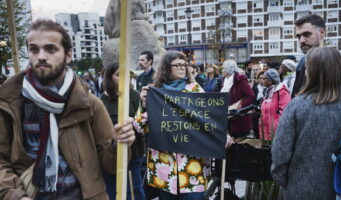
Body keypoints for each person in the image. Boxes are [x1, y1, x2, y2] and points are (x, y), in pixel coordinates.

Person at [0, 19, 135, 200]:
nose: (41, 56)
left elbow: (111, 166)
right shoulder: (10, 102)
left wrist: (118, 144)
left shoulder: (90, 104)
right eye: (34, 49)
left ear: (68, 55)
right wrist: (15, 195)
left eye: (51, 49)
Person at [134, 51, 232, 200]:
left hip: (192, 166)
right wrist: (144, 106)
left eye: (184, 64)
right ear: (167, 67)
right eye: (177, 65)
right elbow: (139, 127)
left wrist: (223, 135)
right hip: (165, 168)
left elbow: (208, 118)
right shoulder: (155, 91)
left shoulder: (194, 89)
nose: (183, 68)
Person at [271, 47, 341, 200]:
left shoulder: (297, 105)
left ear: (310, 71)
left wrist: (284, 180)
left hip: (302, 188)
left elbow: (280, 152)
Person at [100, 62, 145, 200]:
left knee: (134, 189)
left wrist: (135, 121)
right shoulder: (102, 100)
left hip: (135, 152)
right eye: (119, 75)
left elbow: (144, 123)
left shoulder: (135, 95)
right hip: (111, 153)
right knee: (113, 189)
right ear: (109, 77)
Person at [221, 60, 255, 138]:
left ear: (228, 69)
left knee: (240, 144)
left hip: (240, 118)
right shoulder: (224, 80)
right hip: (228, 117)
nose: (222, 70)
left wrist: (240, 106)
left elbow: (250, 96)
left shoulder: (240, 80)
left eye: (223, 68)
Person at [259, 69, 290, 140]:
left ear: (271, 80)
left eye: (265, 78)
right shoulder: (266, 92)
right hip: (266, 132)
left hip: (277, 132)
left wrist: (277, 126)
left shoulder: (282, 92)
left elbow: (285, 112)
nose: (262, 81)